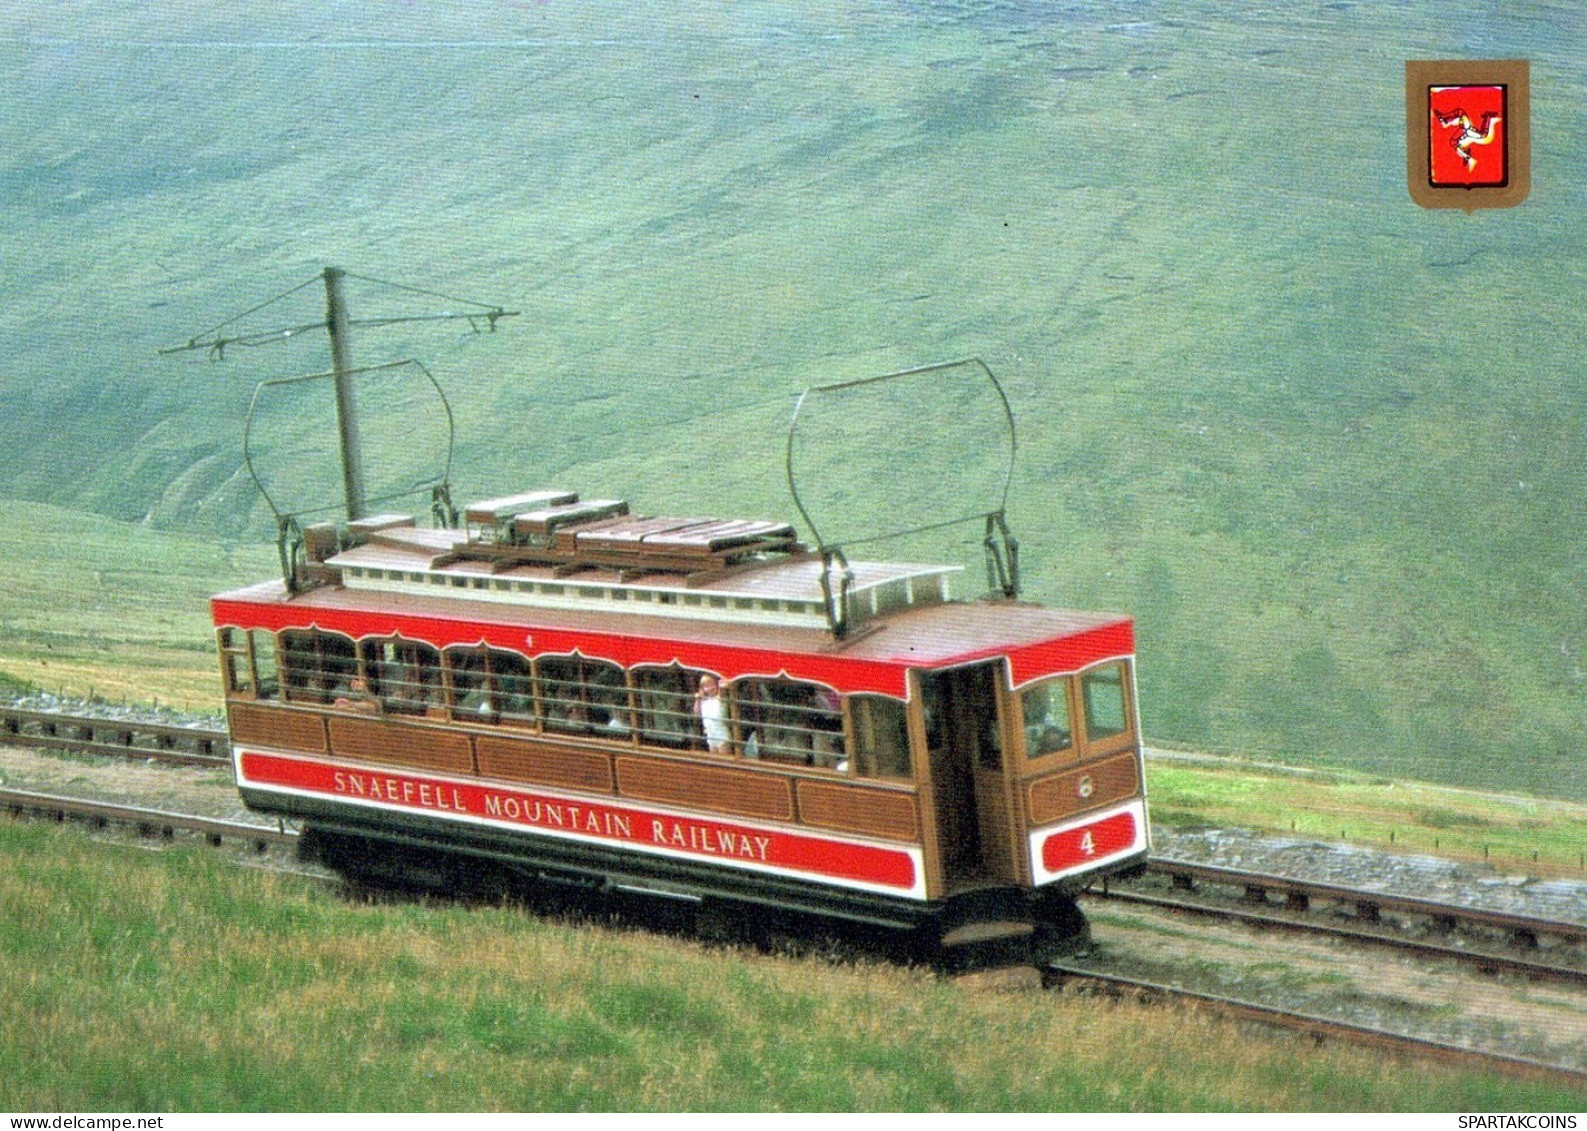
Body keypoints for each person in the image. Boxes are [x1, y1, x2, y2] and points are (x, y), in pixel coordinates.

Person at [693, 674, 730, 754]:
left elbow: (723, 686)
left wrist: (722, 684)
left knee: (724, 760)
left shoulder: (720, 698)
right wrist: (698, 699)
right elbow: (697, 713)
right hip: (710, 735)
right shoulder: (704, 701)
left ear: (716, 685)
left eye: (711, 685)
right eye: (705, 686)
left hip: (721, 735)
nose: (709, 688)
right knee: (714, 759)